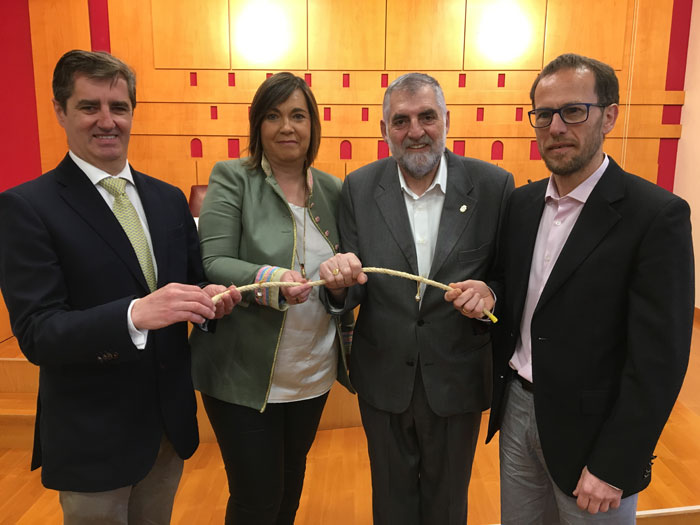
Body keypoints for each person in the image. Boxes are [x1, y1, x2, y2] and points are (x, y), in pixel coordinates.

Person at [447, 53, 694, 524]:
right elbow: (515, 288)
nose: (556, 127)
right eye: (544, 114)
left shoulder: (655, 216)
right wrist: (491, 294)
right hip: (518, 409)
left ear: (609, 116)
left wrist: (616, 462)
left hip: (595, 432)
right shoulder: (521, 204)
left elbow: (659, 361)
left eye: (573, 111)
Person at [0, 50, 240, 524]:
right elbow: (39, 333)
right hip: (94, 438)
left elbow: (193, 283)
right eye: (90, 107)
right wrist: (133, 315)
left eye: (119, 107)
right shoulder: (26, 207)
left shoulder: (167, 198)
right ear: (60, 111)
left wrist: (212, 301)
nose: (107, 121)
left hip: (167, 429)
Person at [319, 73, 514, 524]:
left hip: (457, 377)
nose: (416, 130)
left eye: (427, 116)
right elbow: (350, 287)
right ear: (384, 130)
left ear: (447, 120)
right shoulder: (359, 188)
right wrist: (335, 284)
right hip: (383, 376)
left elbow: (507, 280)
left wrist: (492, 293)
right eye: (401, 120)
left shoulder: (493, 186)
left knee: (448, 506)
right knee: (391, 502)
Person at [188, 72, 355, 525]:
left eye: (298, 115)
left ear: (313, 124)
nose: (287, 127)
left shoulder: (336, 190)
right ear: (257, 126)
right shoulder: (232, 178)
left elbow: (346, 282)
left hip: (310, 372)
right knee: (256, 500)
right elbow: (214, 260)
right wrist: (268, 277)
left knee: (288, 490)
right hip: (243, 373)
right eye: (273, 116)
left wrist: (343, 284)